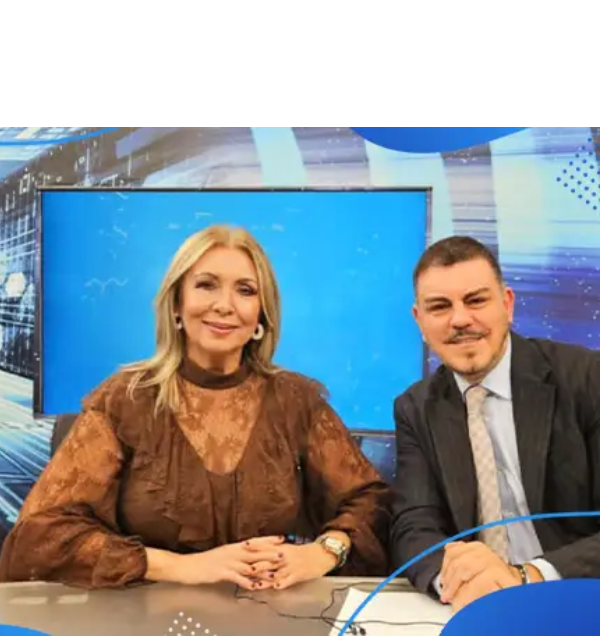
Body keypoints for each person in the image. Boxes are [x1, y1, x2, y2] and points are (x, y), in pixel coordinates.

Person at [0, 225, 391, 591]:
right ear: (177, 304)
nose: (224, 305)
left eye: (245, 290)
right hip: (147, 614)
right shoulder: (124, 399)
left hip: (269, 610)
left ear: (261, 315)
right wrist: (181, 567)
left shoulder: (296, 400)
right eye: (206, 285)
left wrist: (323, 552)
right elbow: (40, 534)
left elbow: (372, 502)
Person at [390, 235, 600, 612]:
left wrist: (528, 576)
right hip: (477, 604)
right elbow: (414, 525)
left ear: (507, 304)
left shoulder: (587, 379)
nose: (460, 320)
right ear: (419, 321)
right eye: (440, 307)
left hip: (577, 597)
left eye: (476, 301)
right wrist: (453, 578)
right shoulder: (415, 408)